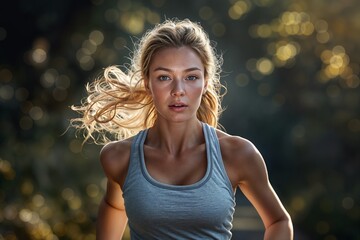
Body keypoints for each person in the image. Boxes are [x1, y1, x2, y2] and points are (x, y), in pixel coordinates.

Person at [71, 18, 293, 240]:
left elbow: (278, 221)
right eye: (164, 77)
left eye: (191, 77)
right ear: (148, 82)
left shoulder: (237, 154)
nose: (178, 90)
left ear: (206, 82)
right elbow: (114, 206)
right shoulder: (120, 158)